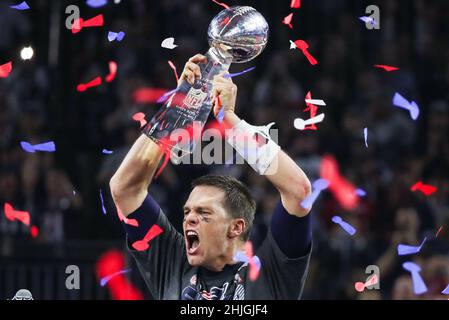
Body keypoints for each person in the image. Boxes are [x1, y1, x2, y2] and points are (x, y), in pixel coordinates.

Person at [110, 54, 313, 300]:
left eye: (204, 213)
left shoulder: (270, 274)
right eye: (187, 212)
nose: (189, 221)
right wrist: (178, 108)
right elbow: (124, 189)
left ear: (236, 227)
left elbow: (298, 190)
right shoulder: (173, 265)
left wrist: (229, 119)